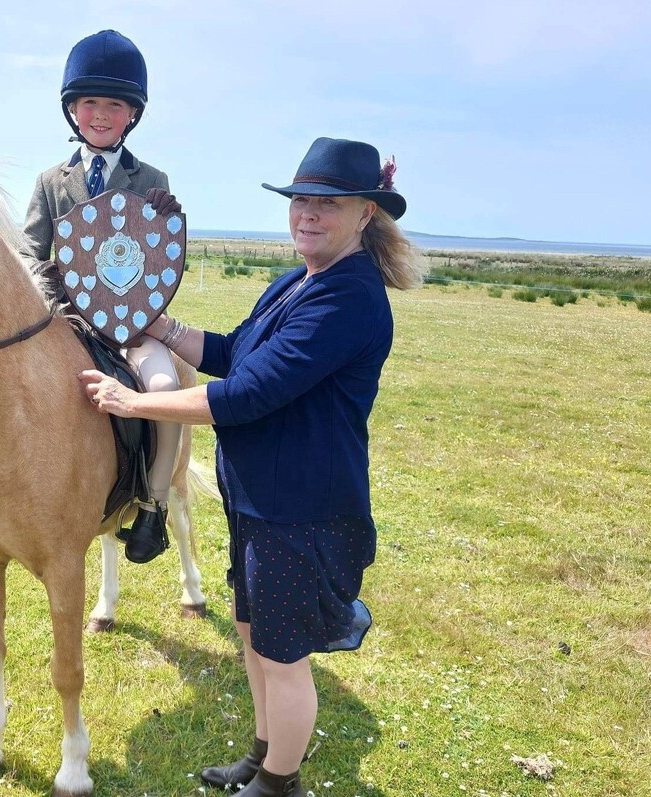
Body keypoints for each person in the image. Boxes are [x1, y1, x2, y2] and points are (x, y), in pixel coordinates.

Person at [78, 137, 425, 795]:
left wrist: (133, 400)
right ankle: (265, 755)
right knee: (253, 631)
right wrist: (168, 327)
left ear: (365, 215)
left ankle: (278, 783)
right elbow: (238, 352)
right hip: (260, 498)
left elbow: (246, 395)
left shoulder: (348, 298)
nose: (309, 215)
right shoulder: (300, 279)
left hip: (302, 507)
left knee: (284, 656)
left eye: (329, 203)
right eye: (301, 201)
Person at [0, 29, 185, 565]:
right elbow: (31, 251)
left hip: (128, 326)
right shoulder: (48, 182)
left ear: (132, 114)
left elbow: (160, 258)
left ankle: (152, 503)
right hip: (61, 321)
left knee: (165, 385)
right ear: (73, 110)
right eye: (91, 103)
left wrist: (169, 219)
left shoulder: (151, 179)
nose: (102, 115)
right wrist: (53, 292)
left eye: (115, 105)